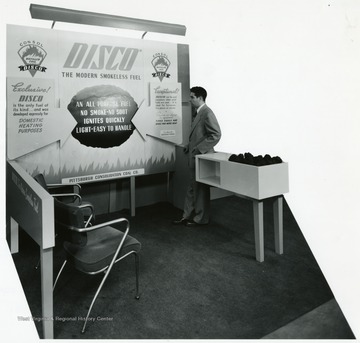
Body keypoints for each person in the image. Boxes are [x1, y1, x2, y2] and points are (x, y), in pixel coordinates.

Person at [173, 86, 221, 227]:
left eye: (192, 97)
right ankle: (186, 216)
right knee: (192, 187)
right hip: (195, 157)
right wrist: (190, 144)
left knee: (200, 189)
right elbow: (199, 134)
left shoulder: (207, 113)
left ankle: (200, 218)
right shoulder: (198, 112)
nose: (190, 99)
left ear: (200, 98)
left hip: (201, 157)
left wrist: (198, 148)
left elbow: (216, 135)